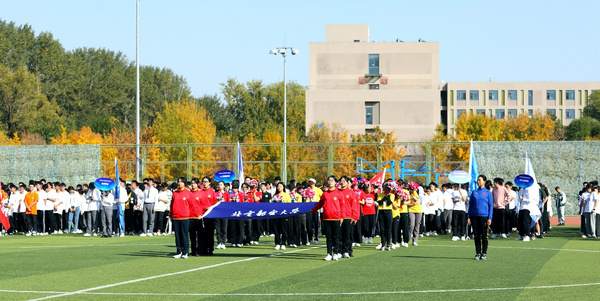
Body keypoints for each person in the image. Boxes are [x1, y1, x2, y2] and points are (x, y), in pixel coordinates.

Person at [311, 175, 342, 261]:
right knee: (329, 237)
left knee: (336, 237)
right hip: (326, 218)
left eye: (332, 180)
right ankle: (329, 253)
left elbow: (342, 206)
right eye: (329, 180)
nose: (330, 181)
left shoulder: (339, 193)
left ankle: (336, 253)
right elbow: (320, 204)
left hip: (336, 218)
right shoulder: (325, 194)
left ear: (336, 182)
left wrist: (342, 217)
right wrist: (312, 211)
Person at [468, 175, 493, 260]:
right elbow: (470, 205)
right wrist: (468, 217)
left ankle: (484, 253)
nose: (478, 182)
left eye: (480, 180)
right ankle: (478, 253)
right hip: (474, 216)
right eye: (478, 180)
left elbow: (490, 206)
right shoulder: (474, 192)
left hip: (484, 217)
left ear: (484, 181)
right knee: (476, 235)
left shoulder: (488, 192)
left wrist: (490, 218)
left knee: (484, 235)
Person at [171, 177, 191, 259]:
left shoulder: (188, 193)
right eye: (178, 182)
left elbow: (192, 205)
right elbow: (172, 204)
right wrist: (171, 214)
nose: (179, 183)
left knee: (184, 235)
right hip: (175, 217)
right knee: (177, 236)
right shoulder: (175, 193)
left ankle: (185, 252)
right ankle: (179, 251)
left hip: (184, 217)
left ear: (185, 183)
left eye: (181, 182)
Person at [272, 182, 291, 250]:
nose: (279, 187)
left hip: (284, 214)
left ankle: (283, 243)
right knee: (276, 229)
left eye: (280, 186)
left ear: (283, 187)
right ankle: (277, 243)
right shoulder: (275, 195)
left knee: (284, 229)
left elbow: (289, 204)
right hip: (276, 214)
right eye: (278, 186)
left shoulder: (286, 195)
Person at [215, 181, 230, 250]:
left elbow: (229, 204)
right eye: (219, 184)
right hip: (217, 213)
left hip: (224, 213)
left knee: (224, 229)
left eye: (221, 185)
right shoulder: (216, 194)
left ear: (224, 186)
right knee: (218, 229)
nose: (220, 186)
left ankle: (223, 242)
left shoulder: (227, 194)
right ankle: (219, 242)